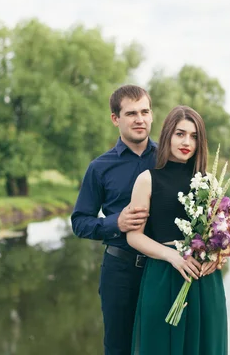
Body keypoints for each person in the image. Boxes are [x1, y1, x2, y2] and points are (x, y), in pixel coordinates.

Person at [127, 105, 228, 354]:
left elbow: (222, 234)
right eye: (180, 134)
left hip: (203, 281)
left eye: (194, 136)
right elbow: (134, 236)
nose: (187, 142)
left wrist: (219, 255)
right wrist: (172, 256)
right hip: (163, 276)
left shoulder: (210, 182)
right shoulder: (148, 179)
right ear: (167, 135)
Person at [71, 84, 157, 355]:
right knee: (119, 348)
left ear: (152, 115)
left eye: (144, 111)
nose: (140, 119)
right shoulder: (99, 167)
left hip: (163, 269)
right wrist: (114, 223)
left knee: (162, 346)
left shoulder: (168, 160)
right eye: (131, 113)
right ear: (115, 119)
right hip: (120, 271)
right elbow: (79, 222)